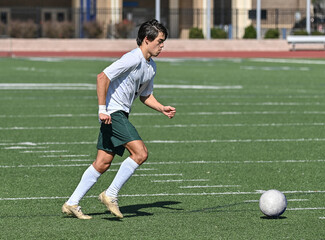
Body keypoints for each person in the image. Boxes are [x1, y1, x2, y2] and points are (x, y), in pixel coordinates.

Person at [62, 19, 176, 220]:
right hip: (113, 113)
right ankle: (110, 194)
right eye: (159, 41)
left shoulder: (151, 67)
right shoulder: (132, 58)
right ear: (147, 40)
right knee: (140, 153)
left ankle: (72, 202)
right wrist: (102, 109)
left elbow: (144, 96)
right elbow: (102, 77)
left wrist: (161, 108)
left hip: (118, 114)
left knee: (103, 162)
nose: (162, 46)